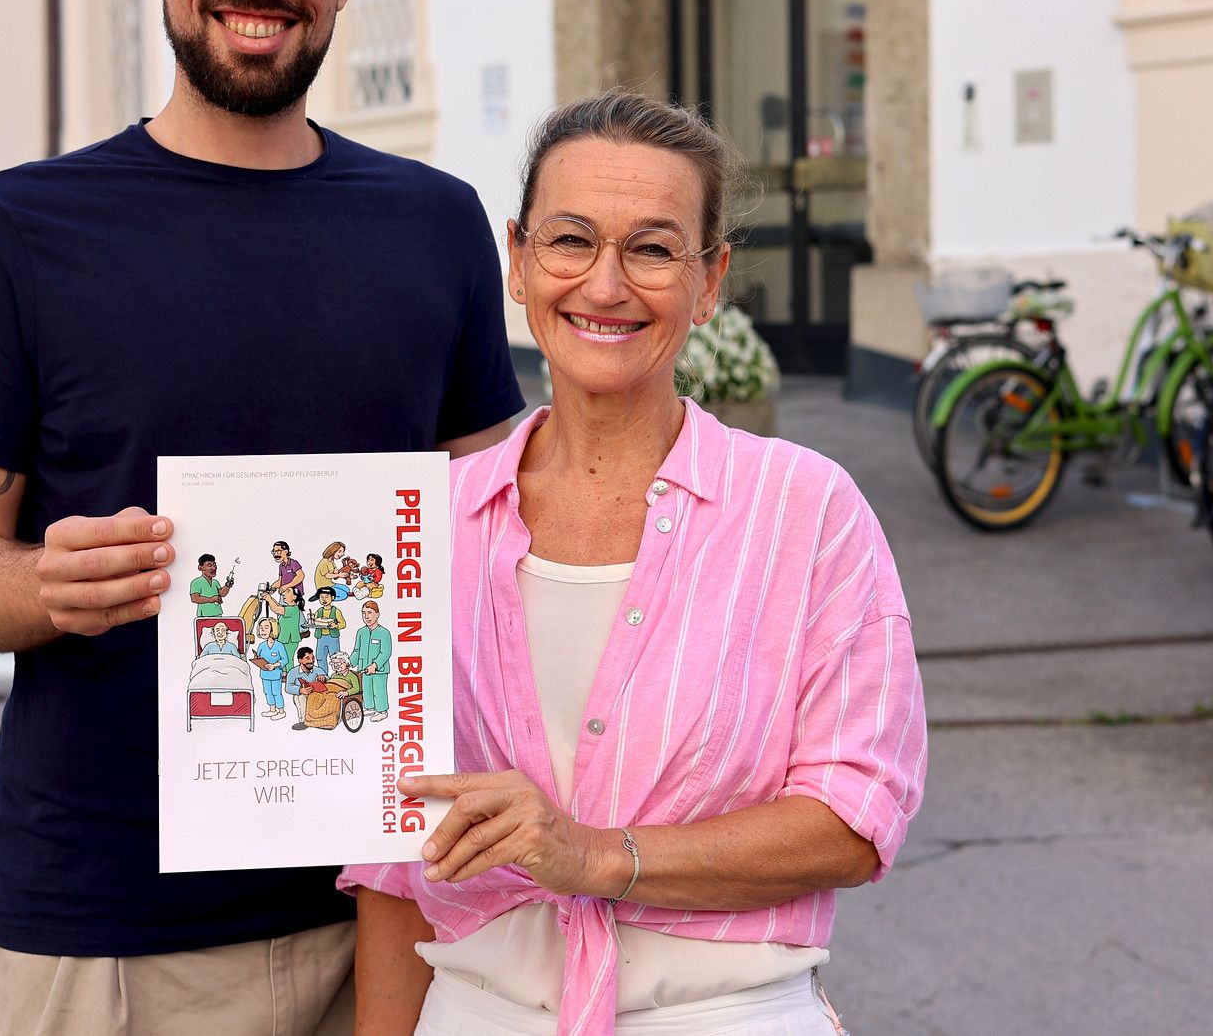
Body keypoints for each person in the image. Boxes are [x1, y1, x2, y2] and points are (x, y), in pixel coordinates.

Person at [0, 0, 523, 1036]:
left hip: (385, 918)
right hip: (98, 929)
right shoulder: (18, 232)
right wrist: (45, 587)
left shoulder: (434, 224)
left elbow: (496, 541)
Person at [341, 91, 926, 1036]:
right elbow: (390, 861)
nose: (605, 285)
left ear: (711, 279)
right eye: (571, 241)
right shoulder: (424, 529)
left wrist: (601, 855)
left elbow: (855, 818)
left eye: (653, 248)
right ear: (519, 261)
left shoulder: (806, 512)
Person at [350, 599, 392, 722]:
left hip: (379, 670)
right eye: (363, 613)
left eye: (369, 612)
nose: (366, 616)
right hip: (364, 668)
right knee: (367, 689)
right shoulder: (361, 632)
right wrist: (349, 662)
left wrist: (375, 665)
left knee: (378, 690)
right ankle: (369, 708)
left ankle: (382, 710)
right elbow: (356, 650)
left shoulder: (384, 633)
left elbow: (386, 652)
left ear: (377, 615)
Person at [249, 617, 288, 719]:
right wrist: (257, 659)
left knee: (276, 693)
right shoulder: (262, 645)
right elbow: (260, 657)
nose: (263, 630)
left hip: (275, 674)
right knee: (267, 692)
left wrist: (274, 665)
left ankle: (281, 711)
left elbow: (285, 660)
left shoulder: (279, 645)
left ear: (272, 629)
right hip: (264, 674)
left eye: (266, 627)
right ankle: (272, 709)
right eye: (261, 627)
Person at [307, 585, 346, 672]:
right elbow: (315, 622)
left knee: (335, 658)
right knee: (320, 657)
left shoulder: (336, 611)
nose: (324, 599)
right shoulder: (319, 611)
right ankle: (324, 676)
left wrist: (335, 626)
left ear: (332, 598)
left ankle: (336, 675)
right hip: (321, 637)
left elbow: (343, 624)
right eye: (321, 597)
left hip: (332, 637)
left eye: (326, 597)